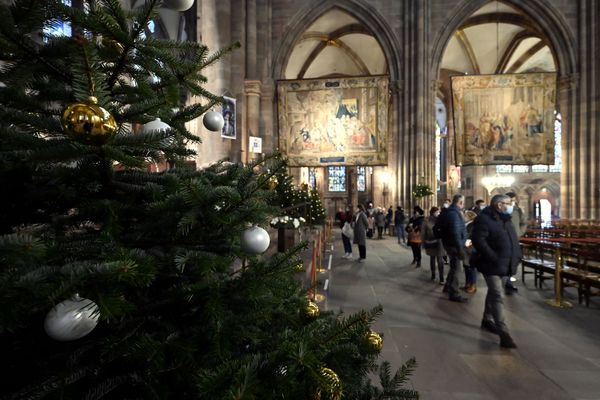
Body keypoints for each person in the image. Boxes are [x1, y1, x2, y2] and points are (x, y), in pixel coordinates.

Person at [470, 194, 522, 348]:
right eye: (509, 203)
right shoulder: (484, 219)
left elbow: (513, 240)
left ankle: (487, 319)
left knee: (494, 293)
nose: (511, 205)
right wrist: (493, 256)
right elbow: (478, 240)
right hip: (491, 265)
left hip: (506, 264)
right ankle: (503, 333)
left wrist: (517, 256)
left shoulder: (506, 219)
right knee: (498, 295)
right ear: (500, 205)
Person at [437, 194, 469, 302]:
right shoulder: (454, 214)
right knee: (457, 269)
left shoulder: (450, 212)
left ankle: (448, 286)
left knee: (453, 266)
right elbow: (455, 232)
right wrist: (460, 248)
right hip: (454, 245)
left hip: (450, 243)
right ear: (460, 202)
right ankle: (454, 293)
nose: (463, 204)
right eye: (463, 202)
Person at [505, 191, 527, 294]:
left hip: (515, 239)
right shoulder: (502, 209)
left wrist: (519, 233)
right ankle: (505, 281)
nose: (513, 202)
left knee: (514, 260)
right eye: (511, 200)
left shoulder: (518, 210)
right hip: (504, 239)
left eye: (514, 200)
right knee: (504, 260)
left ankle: (508, 281)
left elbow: (523, 222)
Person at [422, 207, 445, 284]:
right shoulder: (438, 220)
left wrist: (424, 242)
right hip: (435, 242)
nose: (438, 213)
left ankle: (437, 276)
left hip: (434, 242)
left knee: (436, 259)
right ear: (434, 212)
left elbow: (423, 233)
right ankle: (438, 276)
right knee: (437, 259)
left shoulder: (428, 220)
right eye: (437, 212)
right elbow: (423, 232)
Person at [462, 210, 478, 294]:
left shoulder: (472, 225)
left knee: (471, 268)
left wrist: (466, 242)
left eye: (465, 216)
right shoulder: (467, 224)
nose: (464, 217)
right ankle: (467, 283)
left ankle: (473, 285)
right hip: (466, 248)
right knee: (466, 267)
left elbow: (470, 236)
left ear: (470, 217)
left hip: (470, 248)